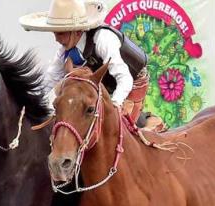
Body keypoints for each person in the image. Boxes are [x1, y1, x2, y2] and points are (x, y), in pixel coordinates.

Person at [20, 0, 156, 126]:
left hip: (132, 83)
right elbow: (50, 80)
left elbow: (125, 78)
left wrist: (114, 106)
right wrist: (31, 105)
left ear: (77, 31)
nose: (56, 39)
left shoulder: (103, 39)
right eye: (55, 33)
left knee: (118, 128)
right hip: (102, 86)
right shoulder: (64, 52)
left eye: (60, 34)